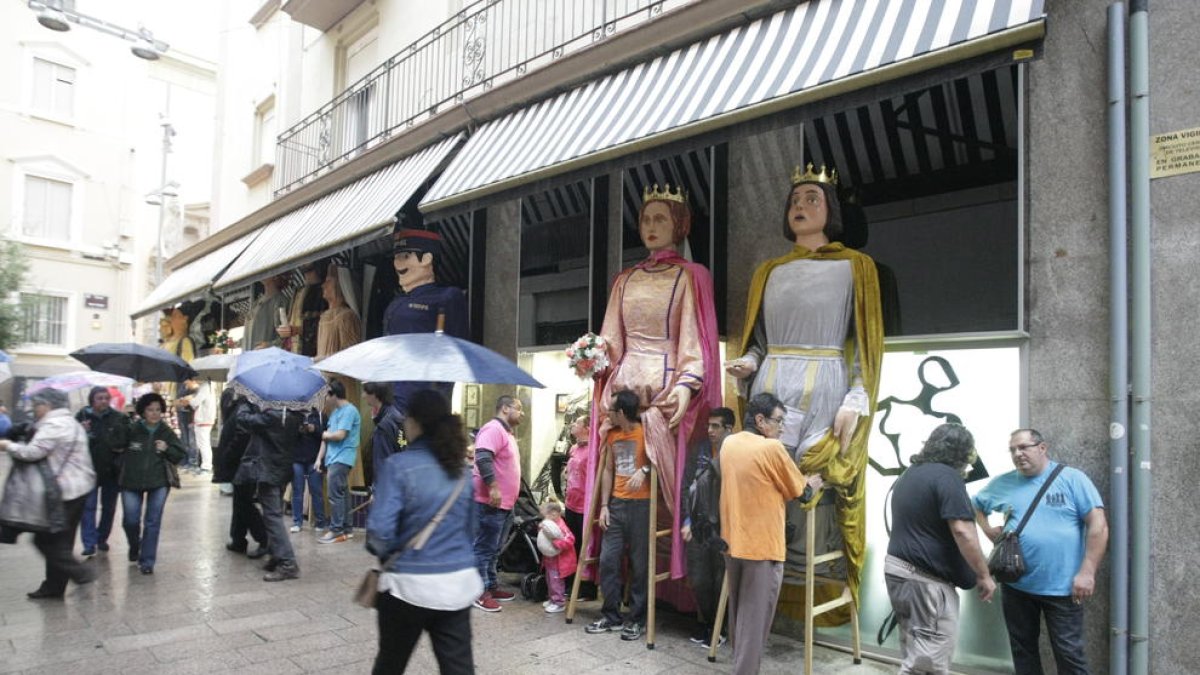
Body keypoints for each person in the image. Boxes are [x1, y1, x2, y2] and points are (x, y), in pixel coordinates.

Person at [725, 164, 883, 617]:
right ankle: (760, 578)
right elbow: (757, 340)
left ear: (830, 209)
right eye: (795, 201)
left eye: (812, 198)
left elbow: (864, 344)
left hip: (826, 384)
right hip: (773, 382)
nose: (800, 207)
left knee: (813, 487)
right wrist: (748, 363)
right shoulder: (768, 271)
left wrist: (856, 398)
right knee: (767, 482)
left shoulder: (856, 267)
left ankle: (814, 591)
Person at [586, 184, 722, 582]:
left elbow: (694, 339)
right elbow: (611, 338)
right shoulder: (624, 280)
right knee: (619, 483)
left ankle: (661, 583)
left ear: (679, 224)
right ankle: (620, 578)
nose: (651, 226)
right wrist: (592, 359)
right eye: (646, 218)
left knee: (662, 496)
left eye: (660, 218)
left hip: (663, 395)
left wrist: (685, 383)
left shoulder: (691, 276)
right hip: (622, 393)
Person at [974, 429, 1108, 675]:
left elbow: (1098, 525)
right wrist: (987, 530)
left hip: (1064, 587)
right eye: (1013, 449)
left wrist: (1088, 571)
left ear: (1042, 448)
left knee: (1069, 654)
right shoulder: (1004, 483)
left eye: (1024, 447)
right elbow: (975, 505)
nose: (1018, 454)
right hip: (1016, 586)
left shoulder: (1072, 479)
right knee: (1023, 651)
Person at [368, 388, 479, 674]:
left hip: (407, 586)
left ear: (415, 421)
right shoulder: (462, 472)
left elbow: (379, 534)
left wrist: (388, 554)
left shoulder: (398, 466)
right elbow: (471, 531)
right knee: (458, 669)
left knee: (390, 664)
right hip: (457, 585)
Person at [719, 393, 823, 675]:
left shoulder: (729, 443)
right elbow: (803, 494)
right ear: (760, 420)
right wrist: (813, 481)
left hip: (733, 544)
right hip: (762, 548)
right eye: (778, 421)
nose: (782, 427)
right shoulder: (772, 449)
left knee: (739, 618)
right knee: (754, 624)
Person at [885, 423, 996, 675]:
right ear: (963, 453)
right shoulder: (947, 477)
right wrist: (983, 574)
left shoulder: (912, 474)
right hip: (925, 582)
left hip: (899, 573)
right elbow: (963, 531)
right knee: (927, 664)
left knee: (916, 650)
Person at [0, 388, 97, 599]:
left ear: (47, 405)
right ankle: (54, 586)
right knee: (60, 542)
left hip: (64, 492)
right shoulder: (68, 422)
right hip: (76, 490)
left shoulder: (55, 424)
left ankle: (80, 573)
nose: (35, 409)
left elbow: (32, 452)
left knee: (45, 540)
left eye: (36, 405)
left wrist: (8, 446)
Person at [585, 390, 652, 641]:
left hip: (642, 506)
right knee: (607, 561)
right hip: (616, 505)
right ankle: (611, 616)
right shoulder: (612, 436)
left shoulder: (647, 433)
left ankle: (637, 620)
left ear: (621, 413)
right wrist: (604, 505)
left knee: (640, 564)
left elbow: (663, 460)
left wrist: (644, 469)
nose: (607, 415)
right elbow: (607, 471)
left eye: (611, 411)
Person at [383, 228, 469, 416]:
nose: (398, 264)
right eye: (396, 258)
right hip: (393, 403)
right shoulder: (395, 304)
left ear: (427, 258)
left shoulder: (447, 297)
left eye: (405, 256)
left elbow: (457, 352)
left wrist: (438, 400)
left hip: (426, 406)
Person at [680, 406, 735, 647]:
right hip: (699, 524)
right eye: (709, 425)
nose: (710, 430)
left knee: (721, 578)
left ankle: (720, 628)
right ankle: (710, 623)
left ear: (729, 429)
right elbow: (687, 486)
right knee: (699, 578)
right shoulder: (700, 449)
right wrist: (687, 520)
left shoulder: (736, 452)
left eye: (716, 426)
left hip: (725, 526)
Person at [118, 393, 186, 575]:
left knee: (152, 522)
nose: (155, 413)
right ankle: (135, 546)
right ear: (143, 411)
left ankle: (147, 561)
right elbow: (115, 442)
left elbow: (180, 455)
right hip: (131, 482)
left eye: (158, 409)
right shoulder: (133, 429)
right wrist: (124, 419)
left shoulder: (166, 431)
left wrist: (167, 449)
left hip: (159, 482)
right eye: (150, 409)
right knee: (130, 521)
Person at [234, 404, 303, 581]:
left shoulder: (272, 415)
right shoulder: (294, 415)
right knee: (273, 515)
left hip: (269, 470)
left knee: (272, 517)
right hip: (282, 469)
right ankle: (275, 554)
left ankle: (287, 563)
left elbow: (243, 420)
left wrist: (245, 405)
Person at [470, 395, 524, 612]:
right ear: (505, 408)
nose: (522, 413)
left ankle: (491, 585)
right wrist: (493, 487)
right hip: (490, 502)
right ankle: (477, 592)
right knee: (483, 548)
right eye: (518, 408)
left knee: (494, 549)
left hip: (504, 504)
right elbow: (483, 457)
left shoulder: (506, 432)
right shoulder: (493, 429)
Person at [76, 386, 131, 556]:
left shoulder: (118, 418)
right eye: (100, 398)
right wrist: (82, 432)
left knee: (108, 508)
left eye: (106, 398)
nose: (104, 401)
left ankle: (102, 538)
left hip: (111, 470)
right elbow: (72, 441)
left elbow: (123, 441)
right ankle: (88, 543)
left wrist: (112, 439)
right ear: (92, 400)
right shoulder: (82, 417)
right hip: (88, 470)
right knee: (88, 507)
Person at [316, 379, 361, 544]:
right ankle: (347, 529)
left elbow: (339, 435)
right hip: (333, 458)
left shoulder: (350, 411)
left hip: (342, 457)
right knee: (343, 494)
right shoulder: (335, 413)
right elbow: (327, 438)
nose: (326, 399)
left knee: (335, 495)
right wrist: (319, 458)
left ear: (333, 395)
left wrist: (324, 434)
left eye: (327, 396)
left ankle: (336, 530)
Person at [562, 413, 596, 599]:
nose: (573, 425)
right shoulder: (574, 448)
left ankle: (587, 587)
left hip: (585, 504)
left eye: (577, 423)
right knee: (571, 544)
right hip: (571, 502)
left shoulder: (593, 450)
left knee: (585, 545)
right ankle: (571, 582)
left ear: (587, 428)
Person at [278, 261, 327, 357]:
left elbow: (324, 324)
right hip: (294, 352)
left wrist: (299, 330)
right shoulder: (298, 292)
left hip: (311, 352)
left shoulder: (322, 291)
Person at [538, 497, 576, 613]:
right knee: (550, 580)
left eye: (546, 516)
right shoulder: (550, 524)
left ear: (554, 514)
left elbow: (570, 540)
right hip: (550, 559)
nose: (545, 518)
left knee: (556, 581)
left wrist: (556, 542)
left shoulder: (561, 527)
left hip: (559, 560)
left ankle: (559, 602)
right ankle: (552, 599)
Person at [290, 407, 325, 533]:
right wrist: (298, 430)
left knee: (316, 491)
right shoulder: (293, 413)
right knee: (297, 491)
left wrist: (314, 429)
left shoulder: (320, 415)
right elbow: (287, 434)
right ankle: (297, 522)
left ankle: (320, 522)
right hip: (296, 458)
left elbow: (325, 435)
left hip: (315, 459)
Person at [364, 381, 405, 487]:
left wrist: (377, 491)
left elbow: (382, 463)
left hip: (388, 487)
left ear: (375, 395)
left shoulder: (383, 428)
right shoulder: (397, 416)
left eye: (366, 392)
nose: (363, 396)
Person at [191, 378, 216, 474]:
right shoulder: (209, 385)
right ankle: (205, 465)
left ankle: (206, 466)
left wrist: (190, 400)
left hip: (203, 419)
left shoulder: (205, 386)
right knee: (203, 443)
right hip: (206, 418)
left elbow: (195, 402)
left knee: (204, 444)